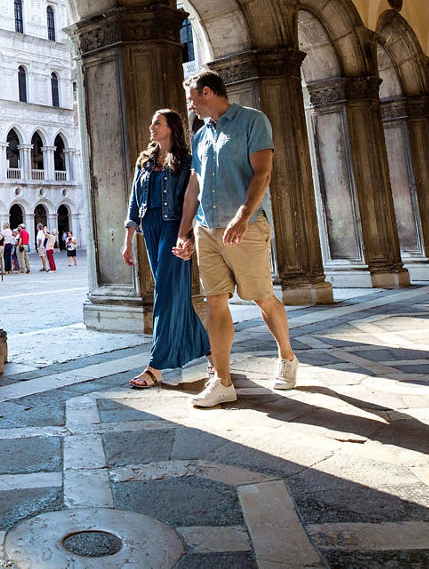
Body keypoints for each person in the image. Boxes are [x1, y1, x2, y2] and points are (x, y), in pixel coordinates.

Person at [175, 70, 299, 408]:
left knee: (262, 298)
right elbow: (193, 189)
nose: (190, 104)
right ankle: (223, 381)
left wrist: (243, 217)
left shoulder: (252, 122)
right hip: (207, 229)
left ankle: (287, 357)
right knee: (215, 300)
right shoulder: (200, 137)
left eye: (192, 97)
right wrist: (184, 232)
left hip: (246, 226)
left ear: (209, 92)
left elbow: (263, 172)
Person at [121, 110, 209, 388]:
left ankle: (155, 366)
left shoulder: (186, 160)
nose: (151, 127)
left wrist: (189, 236)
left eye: (156, 123)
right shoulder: (144, 161)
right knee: (174, 296)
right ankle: (212, 351)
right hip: (151, 228)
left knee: (165, 294)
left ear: (171, 128)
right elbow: (134, 202)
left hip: (174, 228)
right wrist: (128, 239)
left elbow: (192, 201)